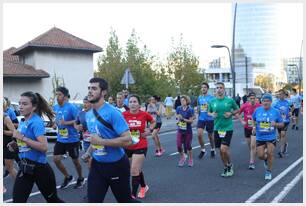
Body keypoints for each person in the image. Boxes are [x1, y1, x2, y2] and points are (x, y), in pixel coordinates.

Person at [84, 77, 138, 203]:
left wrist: (101, 142)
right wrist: (88, 152)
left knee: (125, 201)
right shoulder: (89, 114)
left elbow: (128, 140)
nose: (90, 91)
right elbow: (97, 137)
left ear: (103, 92)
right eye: (89, 88)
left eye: (94, 88)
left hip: (116, 165)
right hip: (97, 166)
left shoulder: (113, 113)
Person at [9, 92, 63, 202]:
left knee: (53, 200)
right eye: (19, 103)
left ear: (34, 107)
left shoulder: (36, 122)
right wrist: (16, 145)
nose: (20, 106)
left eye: (24, 104)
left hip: (40, 169)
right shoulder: (23, 121)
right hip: (25, 168)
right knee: (18, 201)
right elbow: (26, 145)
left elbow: (44, 147)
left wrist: (23, 138)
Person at [123, 94, 155, 199]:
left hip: (141, 144)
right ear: (128, 104)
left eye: (135, 102)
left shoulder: (144, 114)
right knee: (136, 169)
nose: (132, 104)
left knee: (134, 170)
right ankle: (144, 186)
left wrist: (149, 130)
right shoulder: (123, 115)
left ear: (139, 104)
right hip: (127, 145)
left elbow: (153, 121)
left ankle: (132, 196)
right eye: (130, 102)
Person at [53, 86, 85, 189]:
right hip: (61, 138)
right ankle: (68, 176)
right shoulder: (55, 107)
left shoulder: (71, 107)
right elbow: (57, 119)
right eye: (56, 94)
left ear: (65, 96)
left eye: (60, 95)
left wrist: (66, 122)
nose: (57, 97)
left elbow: (77, 120)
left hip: (72, 139)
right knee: (56, 159)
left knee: (75, 161)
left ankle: (80, 178)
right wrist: (55, 124)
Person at [208, 82, 239, 177]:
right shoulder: (212, 101)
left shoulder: (229, 101)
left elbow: (238, 109)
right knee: (221, 151)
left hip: (227, 128)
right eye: (217, 88)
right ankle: (225, 167)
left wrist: (231, 113)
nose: (219, 89)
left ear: (224, 89)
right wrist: (212, 114)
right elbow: (208, 112)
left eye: (221, 87)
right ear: (215, 90)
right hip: (217, 128)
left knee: (224, 149)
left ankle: (230, 165)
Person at [252, 93, 284, 180]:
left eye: (268, 101)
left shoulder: (276, 112)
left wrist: (276, 124)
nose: (265, 103)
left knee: (270, 153)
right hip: (260, 137)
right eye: (264, 101)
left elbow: (282, 124)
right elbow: (253, 119)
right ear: (261, 102)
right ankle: (266, 160)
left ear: (271, 102)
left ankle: (268, 171)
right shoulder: (257, 110)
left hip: (271, 137)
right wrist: (254, 127)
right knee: (260, 156)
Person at [238, 92, 261, 169]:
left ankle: (251, 162)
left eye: (253, 98)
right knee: (250, 145)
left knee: (253, 145)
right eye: (251, 98)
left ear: (256, 98)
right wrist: (242, 121)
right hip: (247, 128)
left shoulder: (259, 106)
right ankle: (253, 152)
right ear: (248, 99)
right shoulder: (244, 106)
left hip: (255, 128)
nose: (252, 100)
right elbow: (238, 113)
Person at [197, 82, 216, 159]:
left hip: (209, 119)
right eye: (202, 87)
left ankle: (213, 148)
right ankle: (203, 150)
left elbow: (214, 107)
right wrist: (197, 111)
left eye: (205, 87)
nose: (203, 88)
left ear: (207, 89)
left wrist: (210, 108)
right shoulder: (199, 97)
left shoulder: (211, 98)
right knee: (199, 135)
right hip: (201, 118)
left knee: (210, 136)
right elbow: (199, 107)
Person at [176, 95, 195, 167]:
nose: (182, 102)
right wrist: (178, 119)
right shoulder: (178, 108)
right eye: (181, 100)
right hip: (180, 129)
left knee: (188, 146)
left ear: (187, 101)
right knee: (178, 146)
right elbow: (177, 116)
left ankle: (190, 159)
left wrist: (183, 119)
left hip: (188, 130)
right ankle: (182, 157)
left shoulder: (190, 109)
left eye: (183, 100)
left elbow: (190, 121)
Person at [3, 98, 18, 192]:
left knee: (10, 168)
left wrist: (3, 131)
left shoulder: (5, 117)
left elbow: (14, 132)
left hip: (7, 146)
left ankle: (21, 186)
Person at [272, 90, 291, 158]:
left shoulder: (288, 102)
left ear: (284, 95)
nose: (280, 95)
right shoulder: (275, 103)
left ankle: (281, 151)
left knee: (283, 134)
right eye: (279, 94)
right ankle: (285, 144)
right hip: (279, 122)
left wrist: (290, 112)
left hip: (286, 121)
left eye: (281, 94)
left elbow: (292, 107)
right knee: (280, 136)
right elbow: (272, 111)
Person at [75, 96, 92, 161]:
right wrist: (78, 127)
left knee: (95, 161)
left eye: (86, 102)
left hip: (96, 141)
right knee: (88, 162)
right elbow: (75, 123)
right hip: (86, 141)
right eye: (84, 102)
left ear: (91, 103)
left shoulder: (95, 113)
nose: (84, 104)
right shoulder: (81, 114)